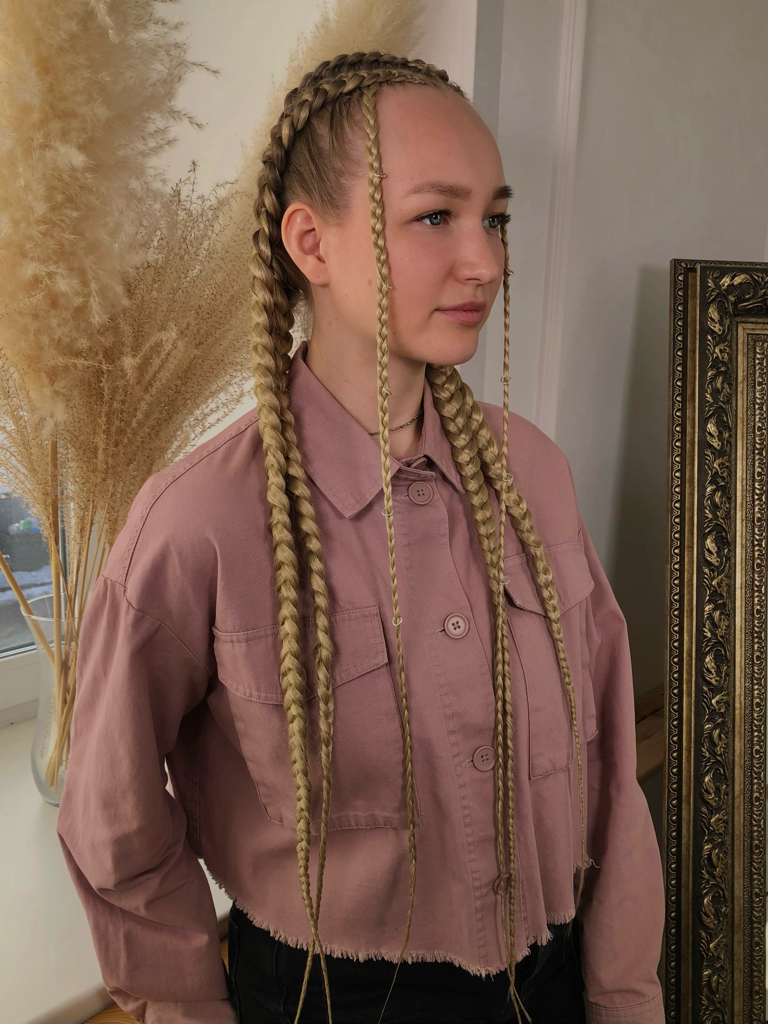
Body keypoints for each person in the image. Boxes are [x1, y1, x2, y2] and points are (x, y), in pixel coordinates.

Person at [55, 51, 665, 1024]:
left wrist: (625, 997)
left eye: (495, 219)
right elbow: (112, 819)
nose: (486, 261)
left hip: (554, 985)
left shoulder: (536, 476)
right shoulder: (198, 522)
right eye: (435, 217)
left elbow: (609, 777)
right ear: (312, 242)